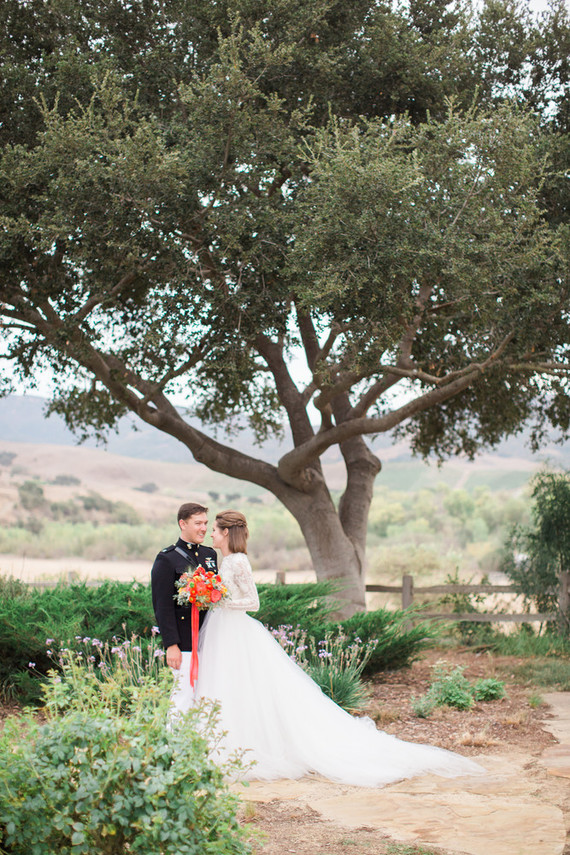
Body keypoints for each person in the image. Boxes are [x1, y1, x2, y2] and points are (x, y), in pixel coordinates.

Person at [173, 509, 485, 788]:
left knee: (246, 686)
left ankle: (247, 749)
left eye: (214, 529)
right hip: (222, 631)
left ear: (227, 533)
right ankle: (226, 744)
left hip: (237, 631)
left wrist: (219, 599)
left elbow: (252, 601)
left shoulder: (238, 561)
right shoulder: (224, 560)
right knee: (227, 687)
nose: (211, 533)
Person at [151, 502, 218, 707]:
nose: (204, 528)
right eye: (198, 523)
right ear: (183, 524)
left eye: (206, 523)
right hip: (184, 642)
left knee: (206, 697)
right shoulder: (167, 559)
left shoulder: (210, 555)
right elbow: (162, 606)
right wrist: (171, 645)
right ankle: (175, 739)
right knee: (183, 696)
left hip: (210, 639)